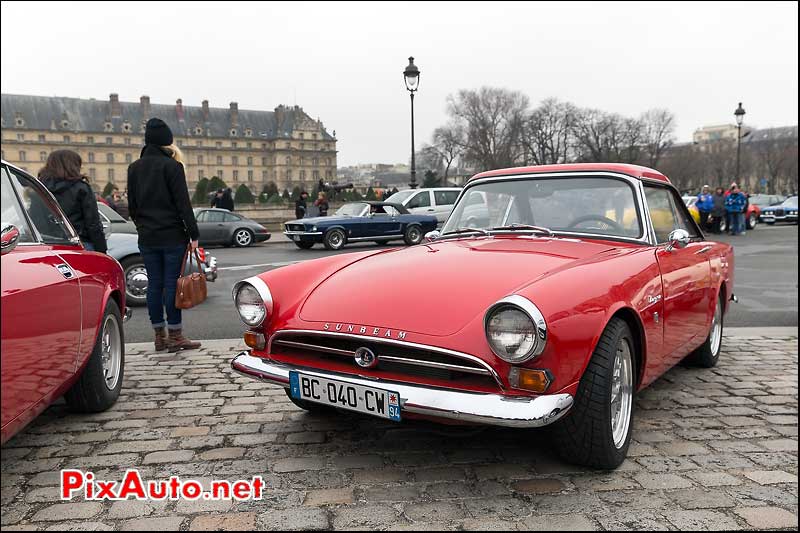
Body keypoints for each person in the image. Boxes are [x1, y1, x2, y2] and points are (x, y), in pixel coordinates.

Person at [127, 118, 202, 352]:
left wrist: (142, 227)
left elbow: (133, 206)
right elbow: (183, 204)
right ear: (166, 142)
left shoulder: (134, 168)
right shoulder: (172, 167)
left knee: (154, 286)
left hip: (148, 237)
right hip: (172, 236)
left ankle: (159, 336)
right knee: (172, 285)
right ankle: (176, 335)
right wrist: (193, 234)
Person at [38, 150, 107, 253]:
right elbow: (93, 223)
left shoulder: (39, 187)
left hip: (48, 244)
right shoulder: (81, 188)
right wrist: (101, 249)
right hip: (79, 243)